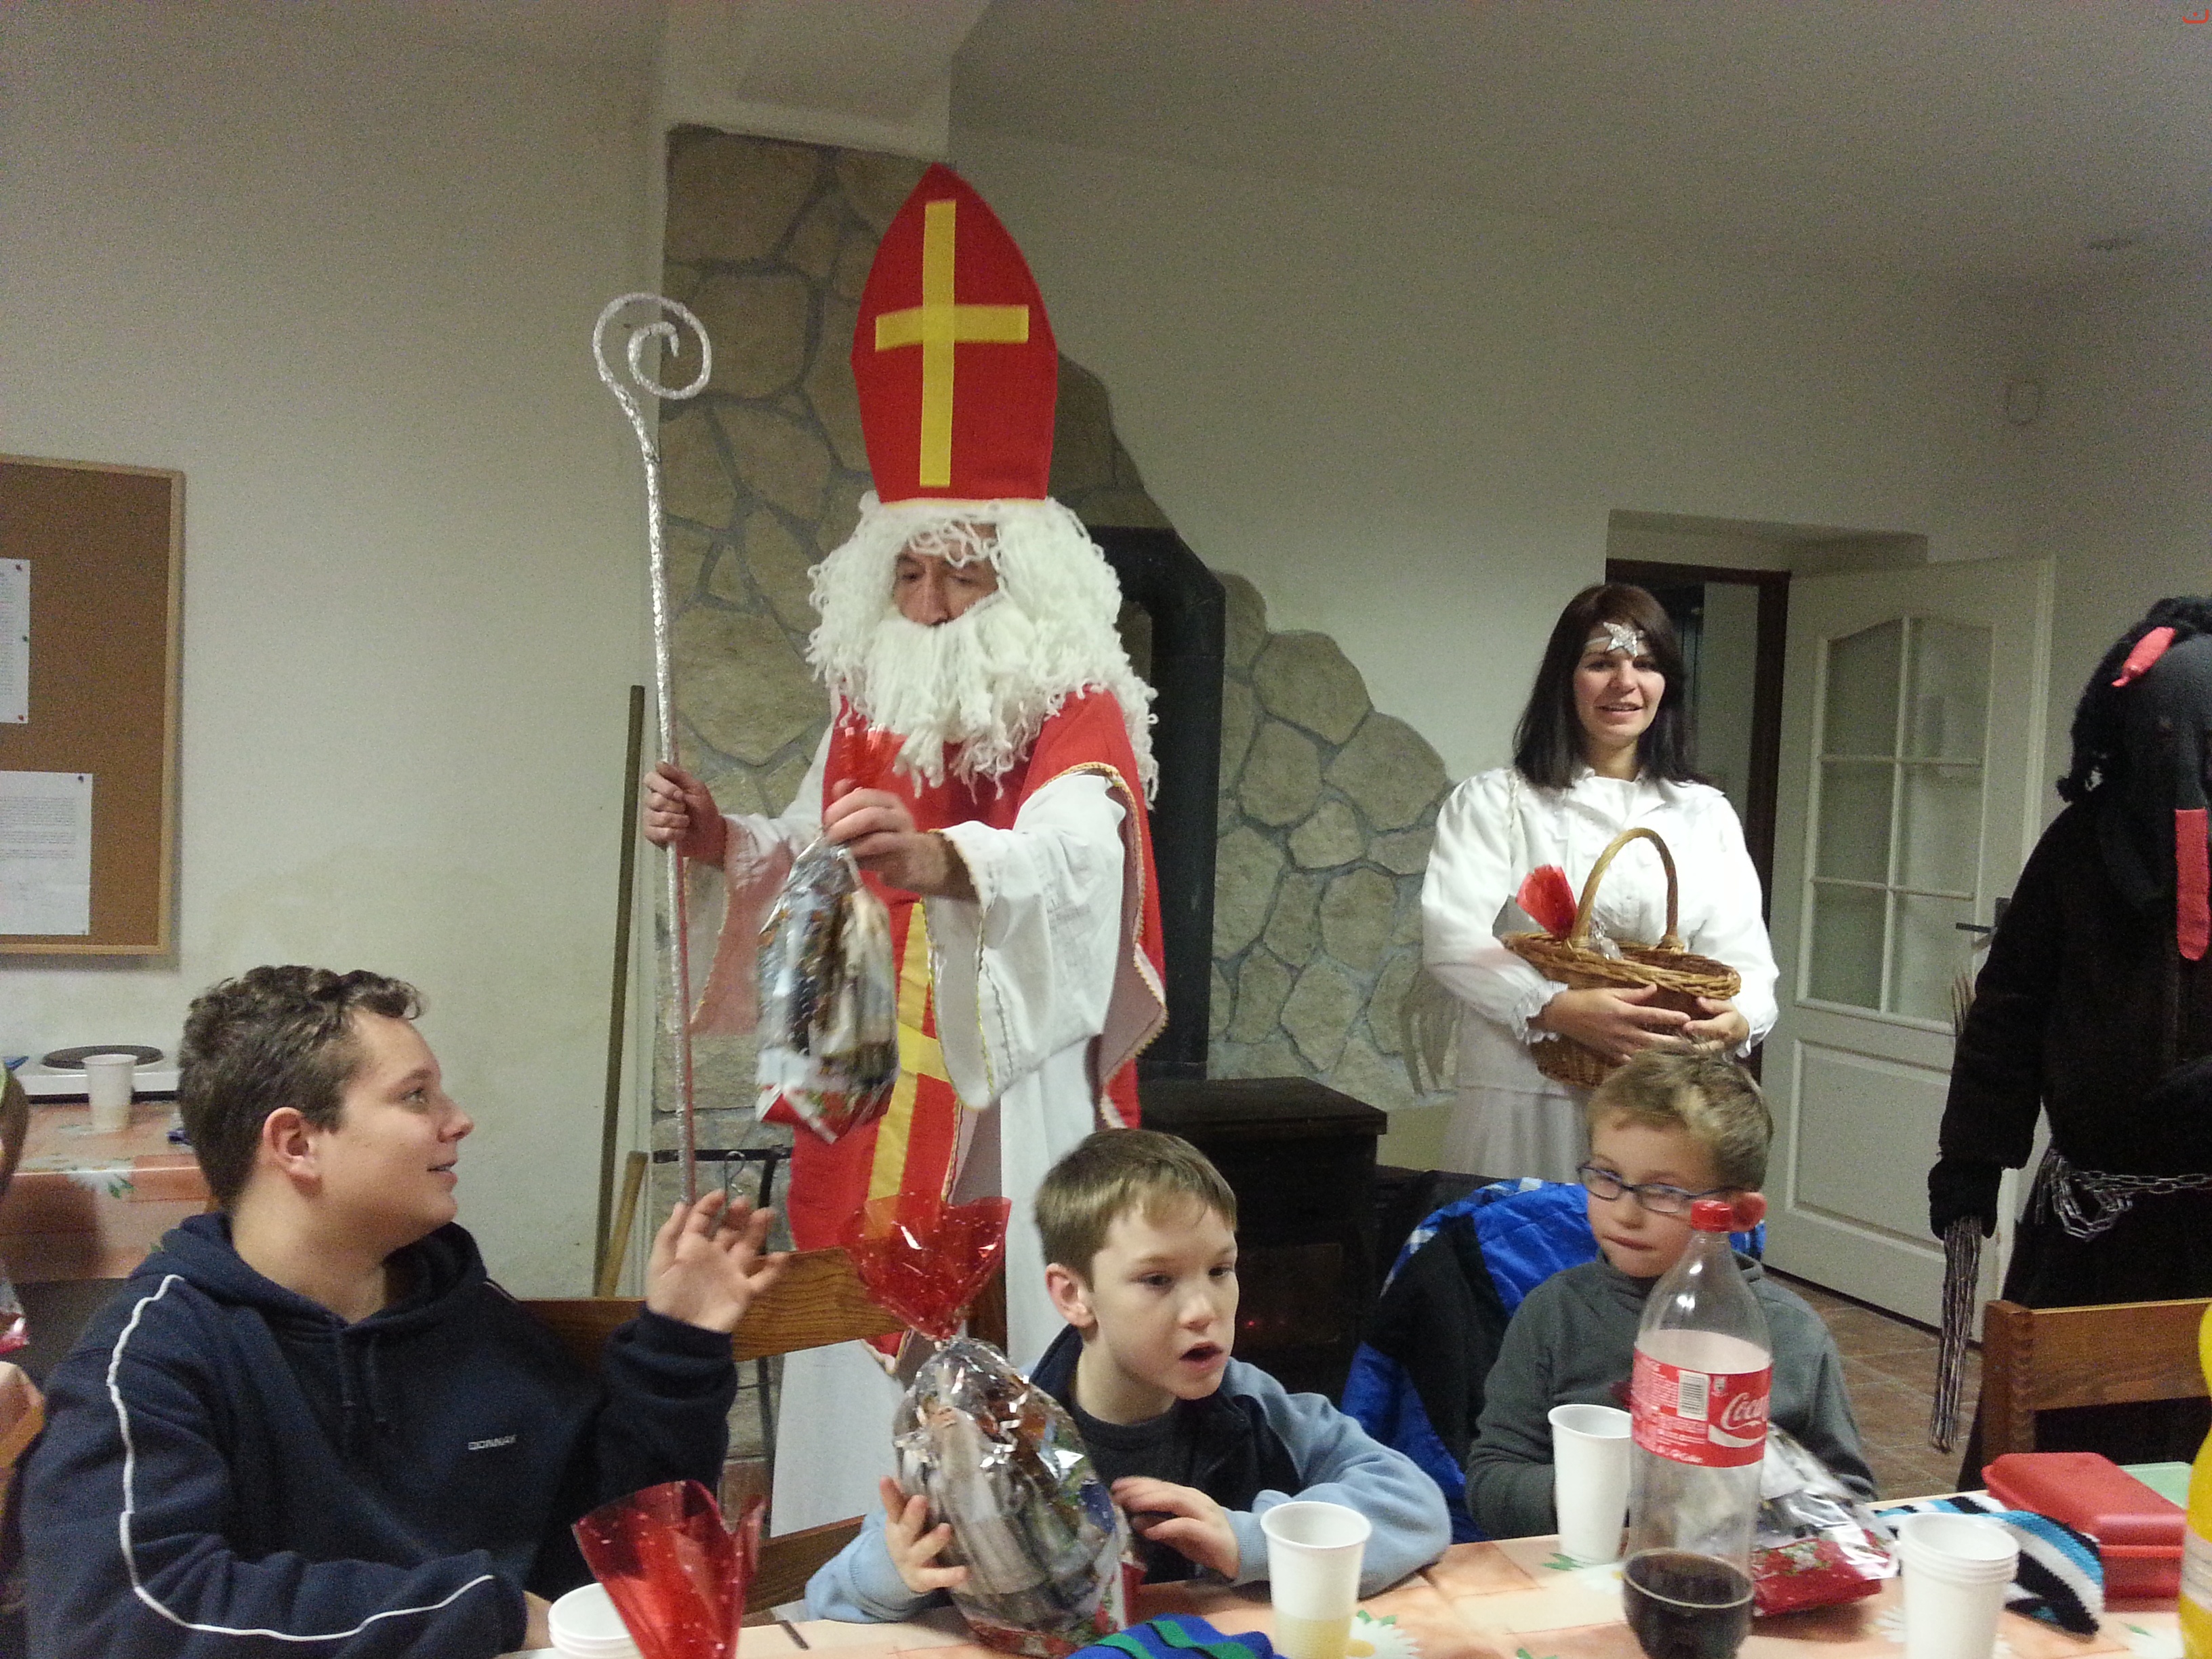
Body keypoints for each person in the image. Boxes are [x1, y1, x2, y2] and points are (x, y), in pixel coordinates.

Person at [640, 165, 1166, 1533]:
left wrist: (945, 863)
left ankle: (1025, 1565)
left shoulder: (1075, 703)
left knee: (1008, 1342)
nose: (929, 603)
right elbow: (811, 847)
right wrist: (723, 836)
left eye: (960, 571)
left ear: (1020, 577)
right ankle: (850, 1555)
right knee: (856, 1340)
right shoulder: (872, 696)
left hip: (1010, 1088)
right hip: (874, 1072)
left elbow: (1080, 856)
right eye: (910, 572)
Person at [18, 966, 786, 1659]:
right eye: (416, 1096)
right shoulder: (149, 1361)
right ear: (296, 1143)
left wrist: (679, 1345)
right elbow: (117, 1623)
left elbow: (625, 1553)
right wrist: (481, 1612)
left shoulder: (468, 1314)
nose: (459, 1120)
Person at [806, 1130, 1450, 1618]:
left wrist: (1252, 1540)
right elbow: (825, 1606)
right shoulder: (985, 1436)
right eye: (1157, 1280)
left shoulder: (1256, 1406)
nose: (1202, 1310)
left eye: (1220, 1270)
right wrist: (895, 1572)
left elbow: (1417, 1509)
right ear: (1074, 1295)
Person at [1930, 596, 2212, 1469]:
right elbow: (2010, 1008)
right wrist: (1973, 1155)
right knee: (2054, 1449)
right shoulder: (2079, 846)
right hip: (2091, 1223)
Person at [1421, 583, 1778, 1182]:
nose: (1625, 683)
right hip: (1525, 1090)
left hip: (1658, 1098)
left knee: (1634, 1236)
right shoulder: (1496, 802)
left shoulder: (1705, 813)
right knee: (1521, 1236)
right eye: (1600, 663)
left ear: (1667, 684)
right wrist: (1555, 1008)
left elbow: (1744, 954)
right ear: (1564, 679)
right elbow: (1454, 938)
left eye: (1646, 664)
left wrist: (1738, 1018)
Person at [1462, 1049, 1871, 1540]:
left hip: (1740, 1567)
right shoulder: (1555, 1314)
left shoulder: (1791, 1331)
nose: (1626, 1214)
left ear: (1739, 1214)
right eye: (1607, 1177)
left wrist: (1744, 1493)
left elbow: (1852, 1496)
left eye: (1665, 1192)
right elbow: (1491, 1484)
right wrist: (1622, 1492)